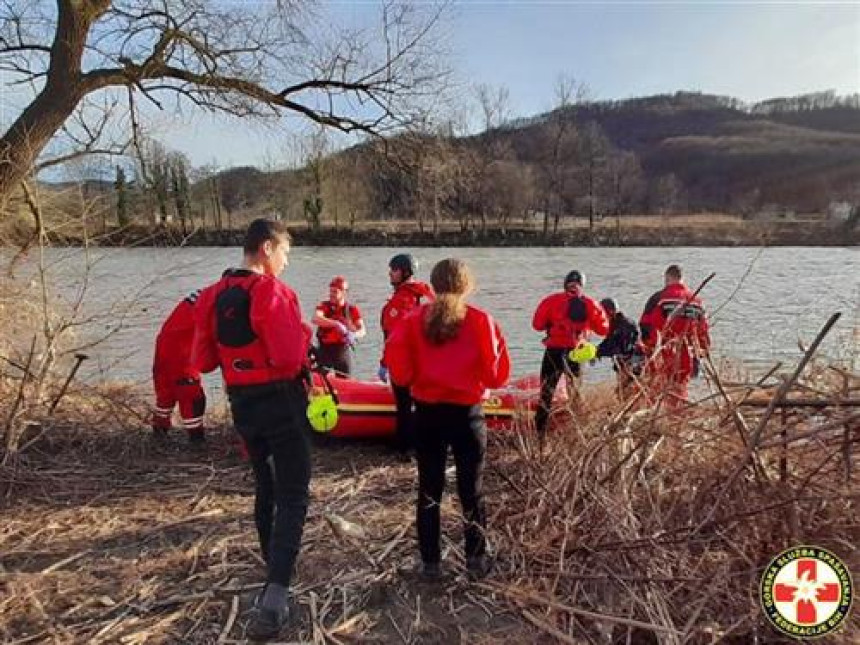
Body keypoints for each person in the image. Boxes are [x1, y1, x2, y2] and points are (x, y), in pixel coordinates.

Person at [192, 219, 313, 639]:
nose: (284, 262)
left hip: (242, 404)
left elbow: (203, 360)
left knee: (266, 485)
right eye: (284, 253)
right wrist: (303, 333)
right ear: (266, 248)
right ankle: (276, 595)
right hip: (281, 399)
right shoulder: (273, 292)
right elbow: (287, 357)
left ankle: (271, 570)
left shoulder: (212, 294)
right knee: (294, 493)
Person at [385, 258, 510, 580]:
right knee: (472, 490)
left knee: (429, 490)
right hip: (467, 417)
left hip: (427, 415)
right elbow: (496, 376)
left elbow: (399, 373)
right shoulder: (481, 320)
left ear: (434, 284)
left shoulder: (413, 320)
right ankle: (476, 560)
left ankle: (430, 564)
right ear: (467, 285)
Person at [531, 270, 608, 439]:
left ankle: (540, 435)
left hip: (554, 352)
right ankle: (576, 432)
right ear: (582, 285)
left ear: (565, 284)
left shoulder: (551, 301)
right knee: (575, 393)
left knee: (546, 393)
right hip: (576, 353)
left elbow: (537, 325)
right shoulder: (591, 303)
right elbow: (603, 330)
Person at [378, 253, 434, 456]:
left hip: (405, 362)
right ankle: (421, 443)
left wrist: (384, 362)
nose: (390, 274)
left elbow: (394, 337)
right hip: (425, 360)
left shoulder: (402, 300)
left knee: (404, 404)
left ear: (404, 272)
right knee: (421, 403)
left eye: (393, 270)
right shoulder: (425, 294)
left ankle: (405, 446)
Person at [639, 264, 711, 406]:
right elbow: (703, 332)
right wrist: (702, 351)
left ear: (667, 278)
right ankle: (677, 420)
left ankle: (659, 421)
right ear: (682, 279)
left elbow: (645, 326)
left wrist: (648, 351)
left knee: (659, 391)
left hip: (664, 351)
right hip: (687, 354)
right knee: (680, 390)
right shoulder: (696, 300)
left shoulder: (659, 298)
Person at [151, 290, 207, 444]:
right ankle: (196, 440)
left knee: (166, 394)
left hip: (164, 349)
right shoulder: (212, 302)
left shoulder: (200, 297)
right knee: (192, 397)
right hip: (181, 353)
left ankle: (159, 433)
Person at [312, 276, 366, 375]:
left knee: (345, 377)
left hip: (341, 351)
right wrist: (336, 324)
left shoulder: (351, 310)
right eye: (330, 291)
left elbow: (362, 330)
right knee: (319, 376)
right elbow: (315, 318)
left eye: (335, 292)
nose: (331, 295)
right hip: (325, 351)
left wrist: (354, 335)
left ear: (344, 293)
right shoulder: (324, 306)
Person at [597, 298, 644, 400]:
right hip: (624, 361)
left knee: (627, 391)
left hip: (634, 360)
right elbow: (609, 341)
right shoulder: (614, 324)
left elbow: (623, 347)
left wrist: (600, 351)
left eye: (602, 313)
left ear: (610, 311)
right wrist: (597, 351)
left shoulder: (626, 325)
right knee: (622, 392)